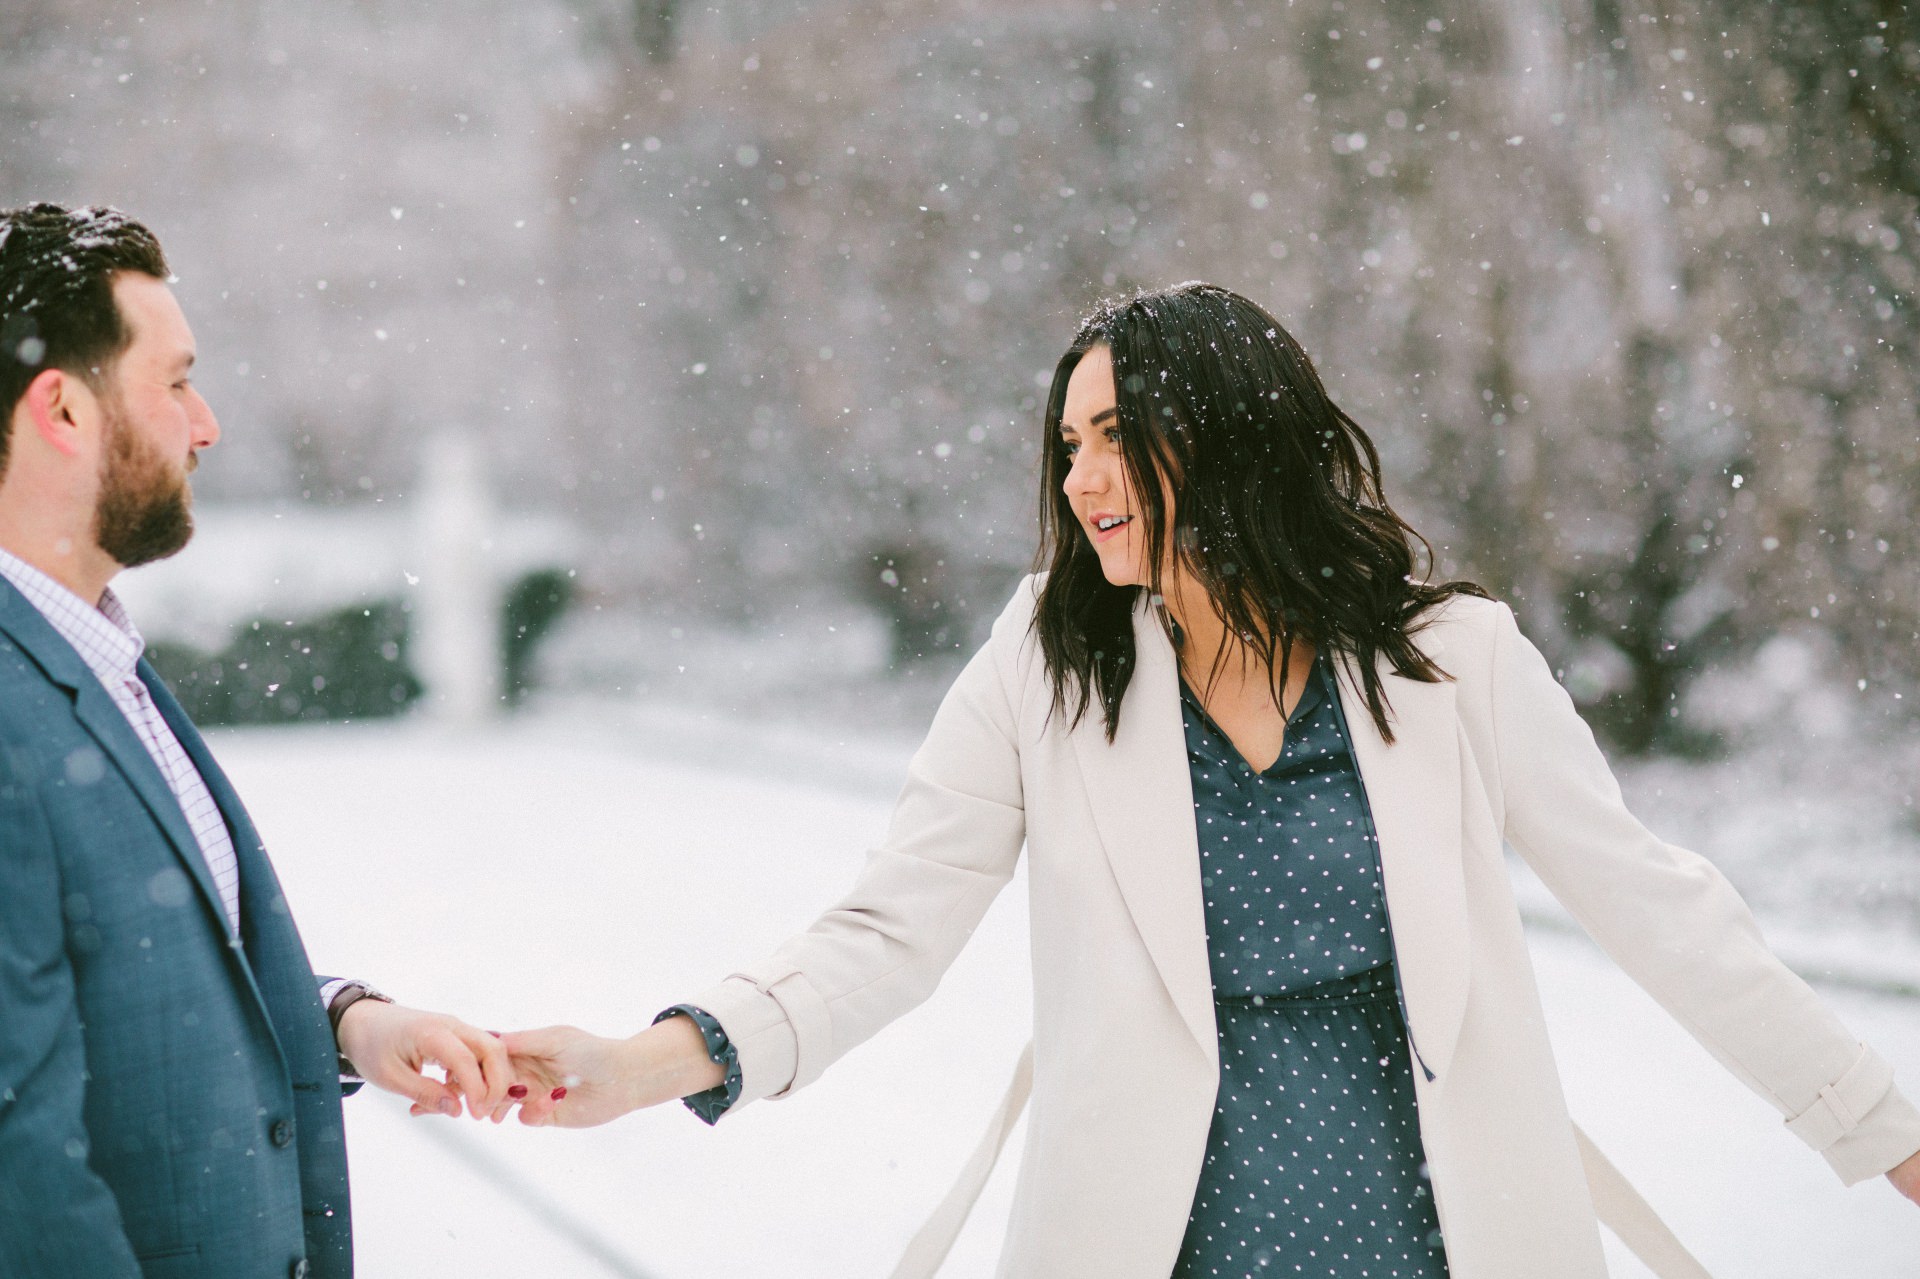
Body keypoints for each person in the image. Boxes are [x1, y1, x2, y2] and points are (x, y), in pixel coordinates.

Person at [498, 282, 1920, 1278]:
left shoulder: (1456, 665)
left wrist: (1891, 1133)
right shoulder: (1045, 668)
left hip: (1442, 1238)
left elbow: (1665, 912)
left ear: (1229, 435)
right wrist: (649, 1060)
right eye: (1068, 443)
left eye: (1116, 433)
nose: (1079, 475)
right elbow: (889, 927)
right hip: (1153, 1242)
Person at [0, 203, 513, 1279]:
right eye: (176, 380)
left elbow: (130, 980)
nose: (207, 424)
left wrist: (344, 1023)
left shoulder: (92, 653)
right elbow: (20, 1169)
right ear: (62, 410)